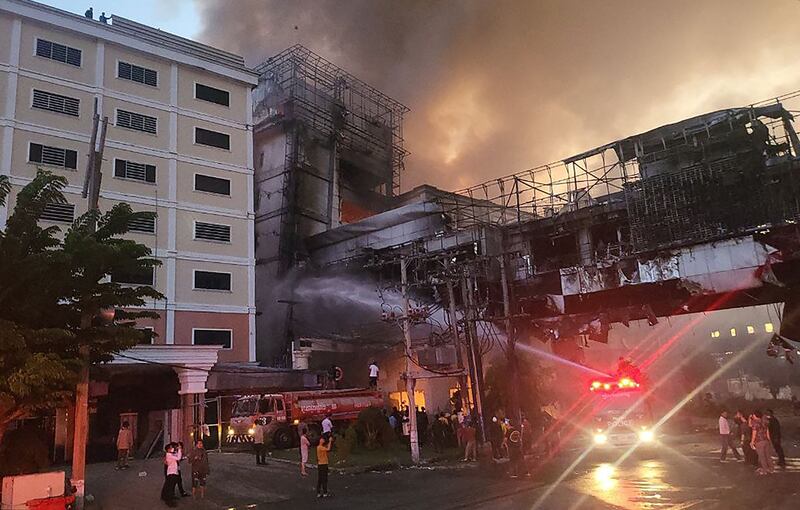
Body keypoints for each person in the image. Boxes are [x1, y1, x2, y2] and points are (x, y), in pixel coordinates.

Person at [750, 410, 774, 474]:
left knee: (762, 456)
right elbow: (767, 432)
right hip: (766, 440)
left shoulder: (755, 423)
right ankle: (771, 469)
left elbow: (754, 433)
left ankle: (764, 470)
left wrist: (752, 442)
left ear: (755, 415)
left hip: (759, 441)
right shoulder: (765, 422)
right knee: (768, 456)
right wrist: (769, 440)